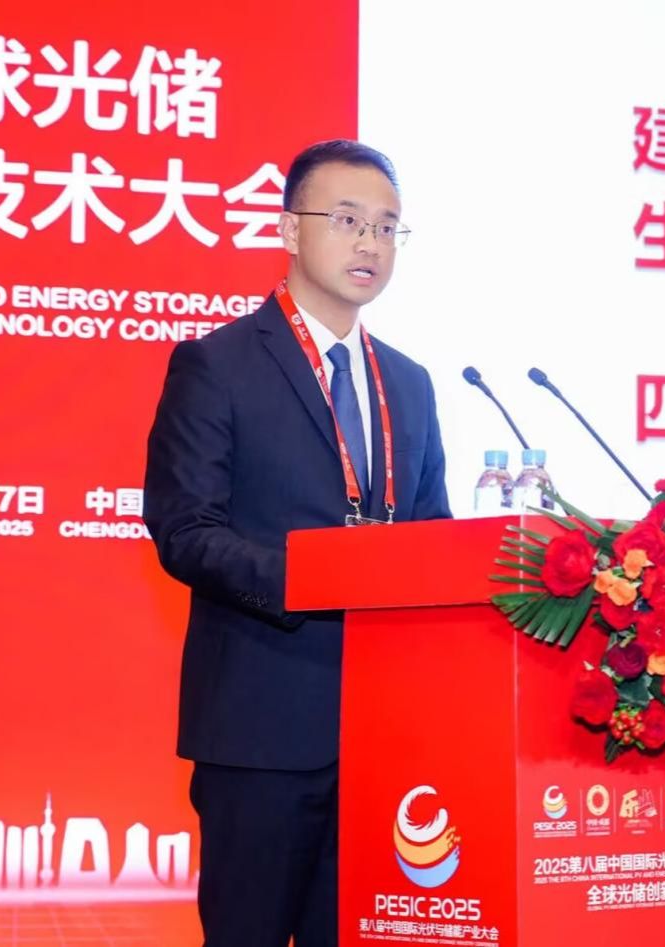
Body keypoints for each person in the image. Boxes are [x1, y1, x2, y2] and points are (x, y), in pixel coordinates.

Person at [143, 139, 451, 947]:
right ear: (288, 229)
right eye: (347, 220)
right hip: (261, 726)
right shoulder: (217, 366)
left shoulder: (410, 383)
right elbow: (184, 529)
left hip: (387, 736)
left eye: (386, 227)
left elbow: (431, 532)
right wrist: (315, 577)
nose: (369, 243)